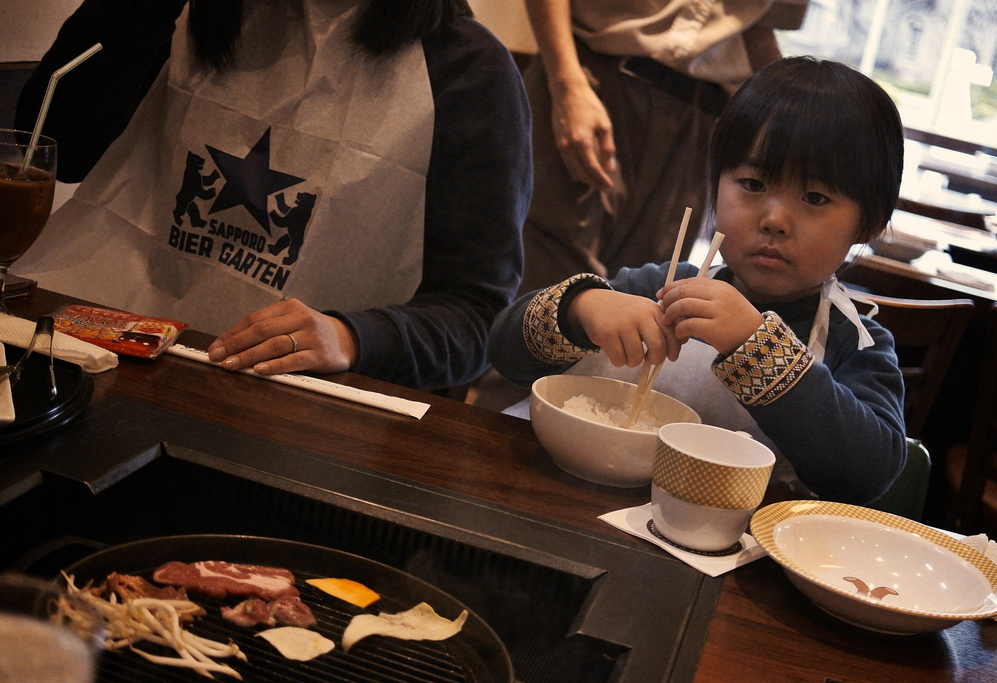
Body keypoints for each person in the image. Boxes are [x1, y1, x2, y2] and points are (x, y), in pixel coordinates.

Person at [14, 0, 531, 391]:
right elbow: (56, 143)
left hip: (300, 414)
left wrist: (351, 337)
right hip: (108, 365)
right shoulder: (201, 11)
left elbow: (478, 319)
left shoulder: (472, 74)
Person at [488, 56, 907, 505]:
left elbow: (869, 474)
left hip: (725, 552)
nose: (775, 219)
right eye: (752, 184)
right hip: (582, 501)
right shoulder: (661, 285)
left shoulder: (856, 342)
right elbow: (504, 352)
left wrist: (757, 348)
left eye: (815, 197)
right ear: (716, 185)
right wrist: (580, 309)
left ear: (868, 224)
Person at [517, 0, 808, 295]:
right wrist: (566, 82)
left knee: (644, 301)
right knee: (549, 291)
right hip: (593, 80)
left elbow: (757, 29)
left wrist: (794, 126)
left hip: (700, 119)